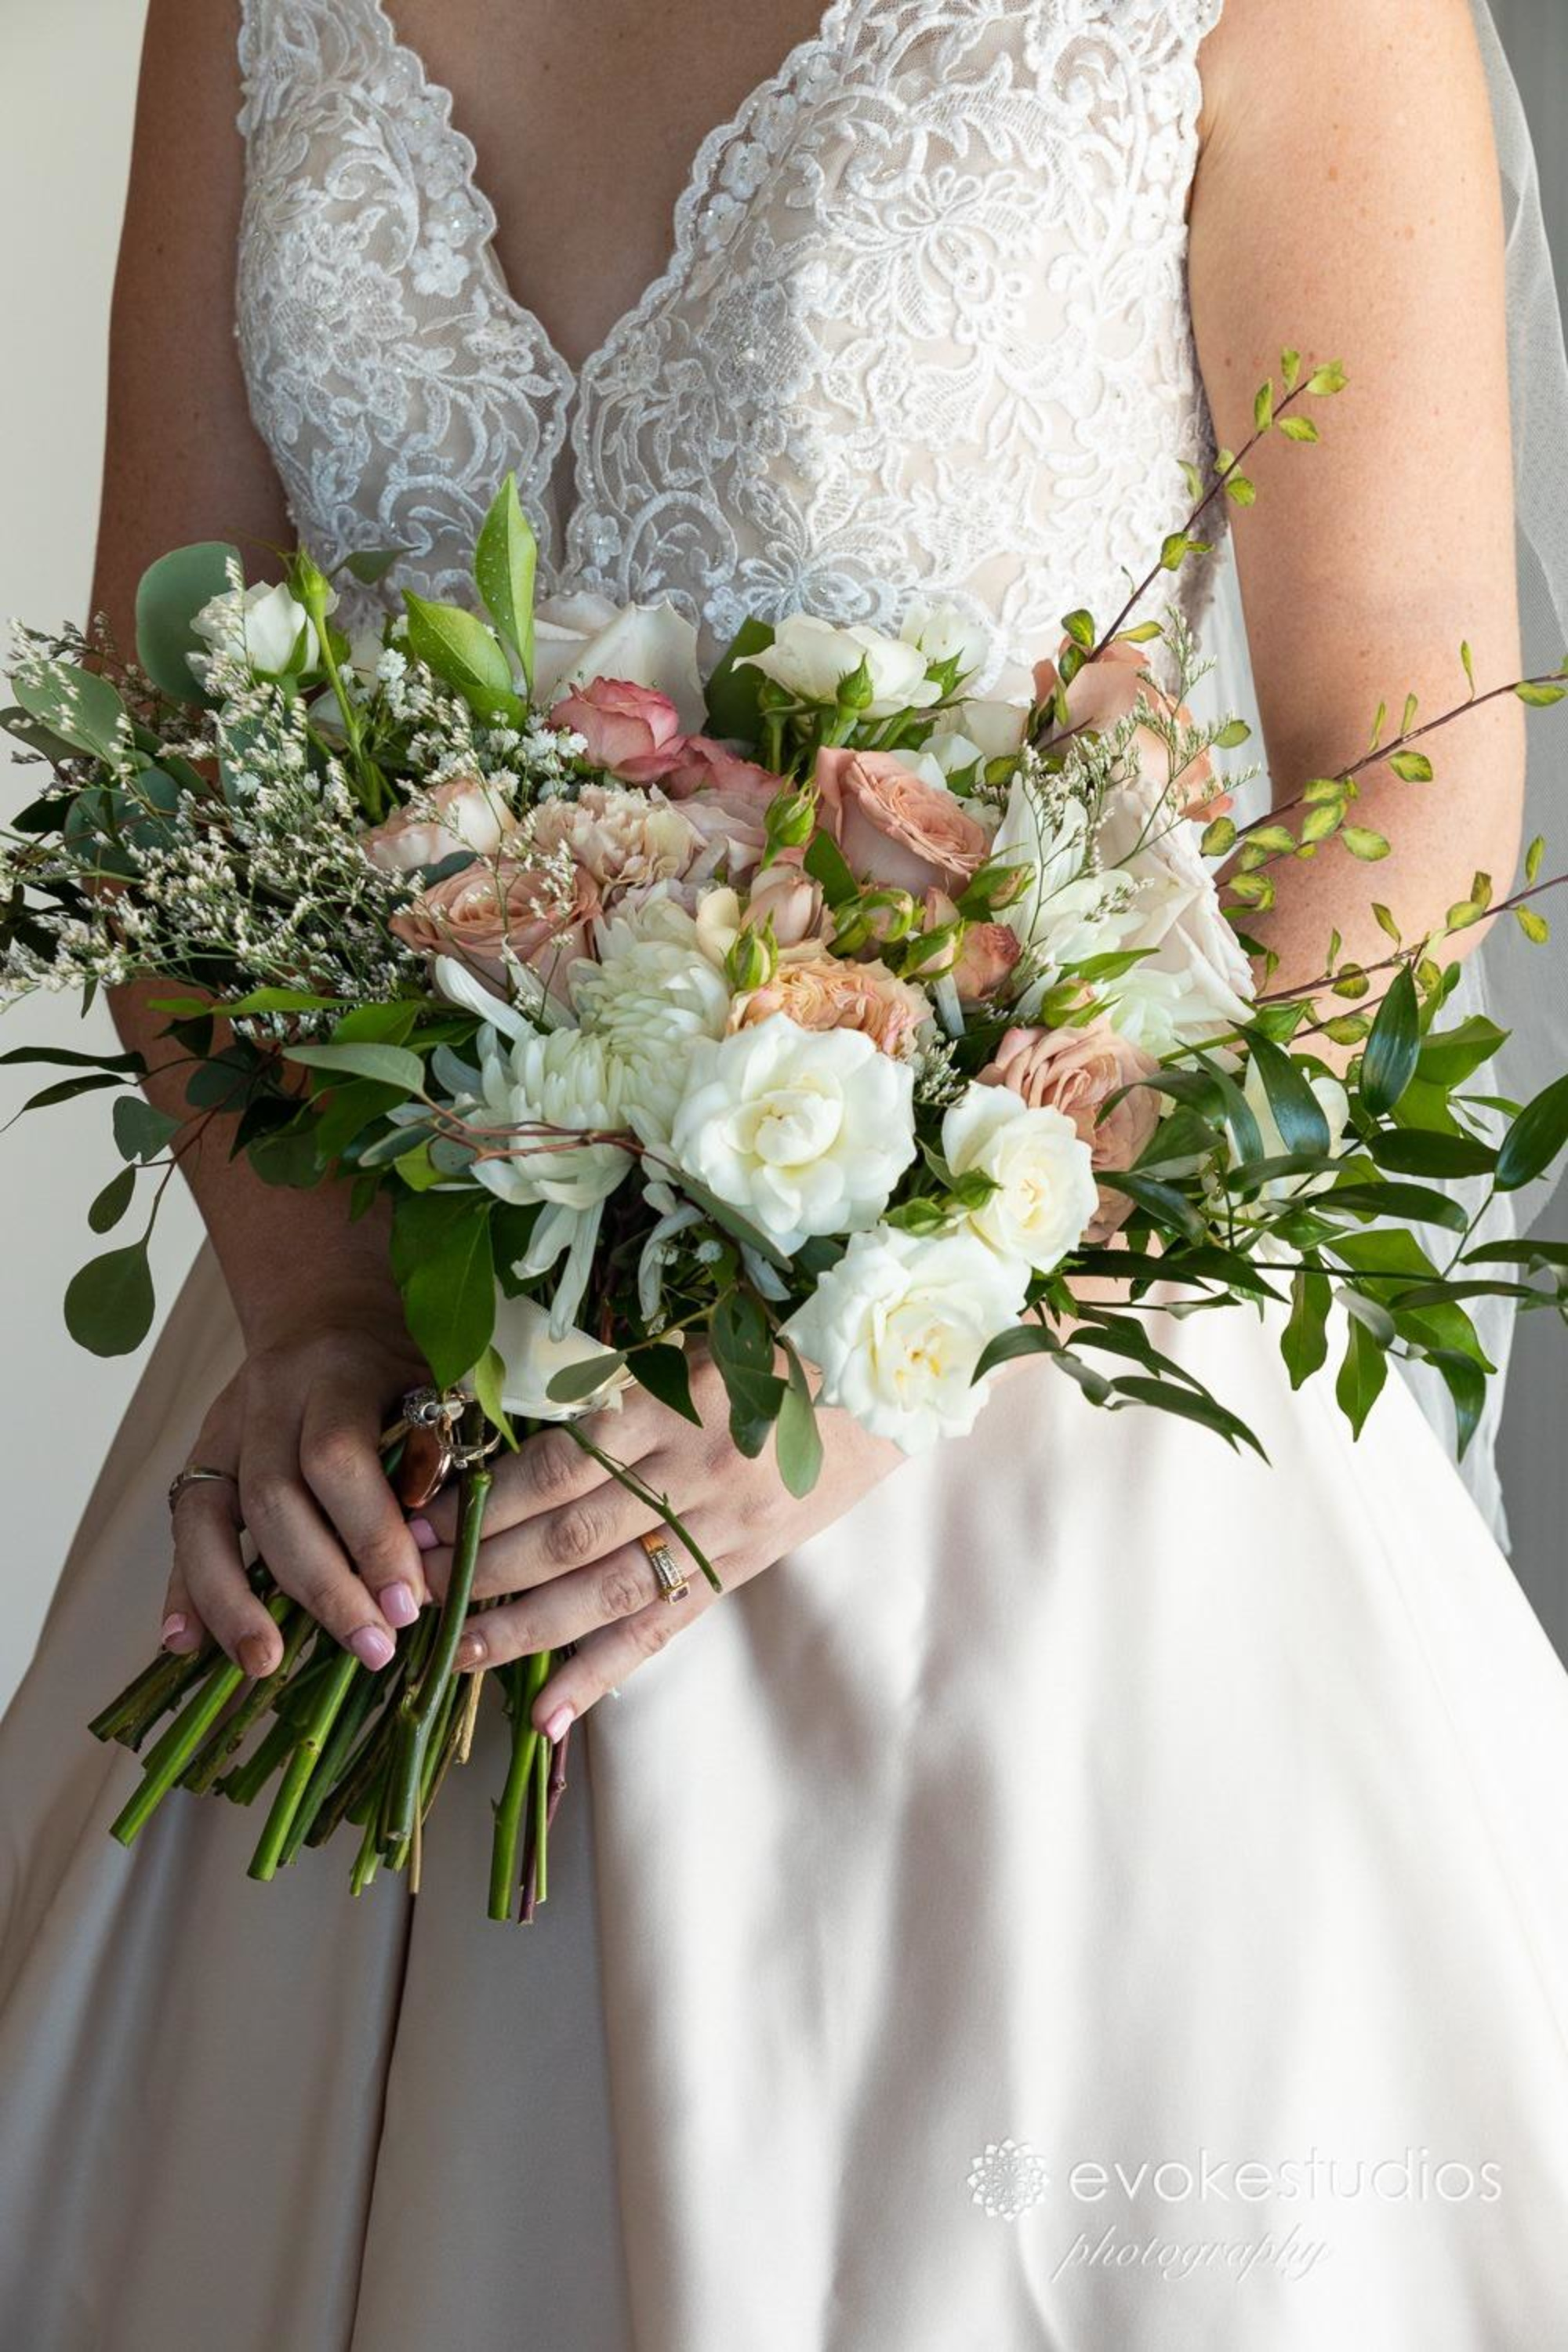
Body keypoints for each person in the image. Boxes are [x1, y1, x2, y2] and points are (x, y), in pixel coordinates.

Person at [3, 2, 1567, 2344]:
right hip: (390, 1427)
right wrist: (325, 1304)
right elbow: (160, 727)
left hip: (1030, 1438)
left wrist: (876, 1340)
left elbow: (1407, 773)